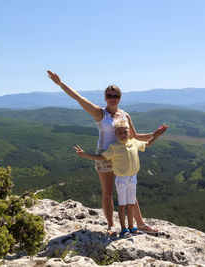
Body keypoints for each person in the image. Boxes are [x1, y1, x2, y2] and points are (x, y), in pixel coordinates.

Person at [47, 70, 168, 235]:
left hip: (123, 156)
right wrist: (60, 83)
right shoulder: (100, 113)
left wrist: (155, 134)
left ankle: (140, 224)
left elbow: (134, 136)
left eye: (115, 95)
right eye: (109, 95)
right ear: (105, 97)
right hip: (104, 156)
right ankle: (111, 226)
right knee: (108, 193)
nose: (112, 98)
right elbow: (78, 98)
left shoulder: (125, 115)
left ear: (119, 98)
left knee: (129, 189)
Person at [74, 119, 161, 237]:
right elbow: (101, 157)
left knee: (131, 204)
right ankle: (124, 228)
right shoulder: (114, 147)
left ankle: (132, 227)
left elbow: (148, 144)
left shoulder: (134, 142)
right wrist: (85, 155)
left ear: (129, 132)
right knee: (122, 204)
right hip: (121, 179)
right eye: (120, 133)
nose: (123, 135)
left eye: (125, 132)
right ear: (116, 134)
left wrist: (157, 135)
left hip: (133, 178)